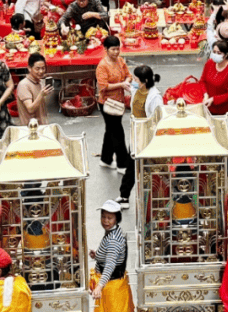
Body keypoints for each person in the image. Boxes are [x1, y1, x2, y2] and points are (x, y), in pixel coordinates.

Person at [96, 35, 132, 180]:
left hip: (119, 101)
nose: (116, 52)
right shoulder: (102, 66)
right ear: (106, 49)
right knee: (118, 133)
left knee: (110, 130)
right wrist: (122, 84)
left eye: (118, 49)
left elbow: (128, 75)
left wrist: (127, 81)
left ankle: (105, 159)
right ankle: (122, 164)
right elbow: (103, 86)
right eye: (113, 49)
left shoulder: (120, 61)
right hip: (107, 103)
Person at [90, 199, 133, 312]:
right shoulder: (114, 231)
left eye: (110, 218)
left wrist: (99, 286)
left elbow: (110, 265)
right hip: (112, 284)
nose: (105, 221)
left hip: (112, 288)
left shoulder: (113, 240)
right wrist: (97, 256)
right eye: (103, 217)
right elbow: (111, 256)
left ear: (116, 219)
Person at [15, 53, 52, 126]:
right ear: (29, 68)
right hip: (30, 128)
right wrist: (41, 95)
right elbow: (30, 109)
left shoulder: (39, 82)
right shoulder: (24, 85)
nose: (41, 71)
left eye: (43, 68)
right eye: (37, 69)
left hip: (41, 125)